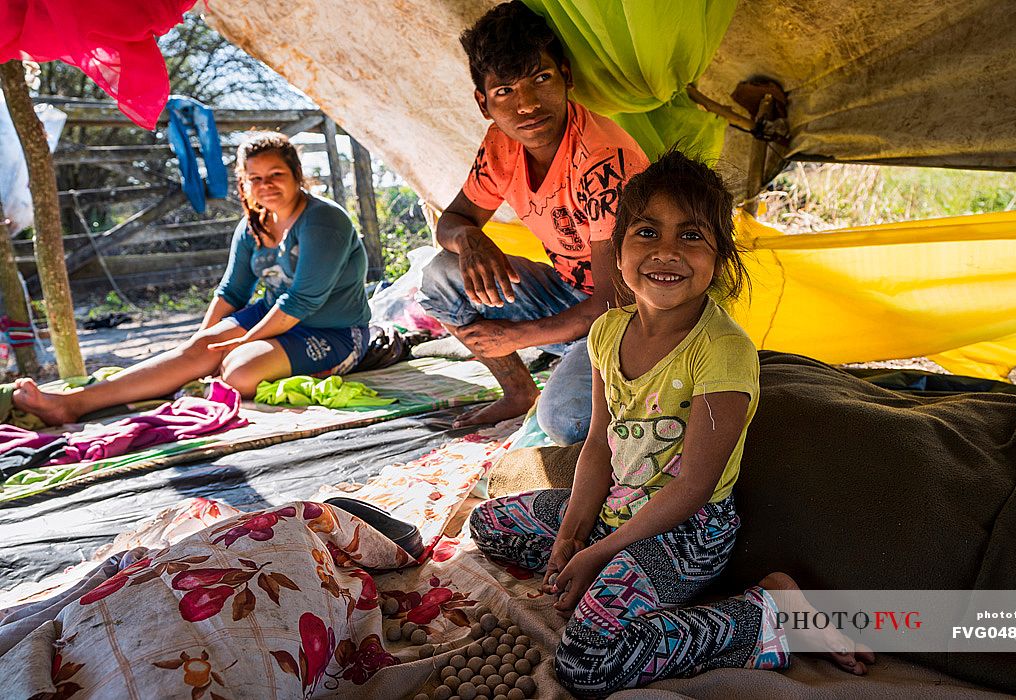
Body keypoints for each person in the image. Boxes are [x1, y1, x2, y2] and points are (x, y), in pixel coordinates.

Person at [469, 151, 874, 697]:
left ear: (721, 256)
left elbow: (694, 486)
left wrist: (600, 554)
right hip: (618, 511)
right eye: (646, 232)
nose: (666, 252)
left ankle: (766, 613)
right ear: (618, 248)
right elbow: (597, 446)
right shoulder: (607, 332)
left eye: (691, 236)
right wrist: (571, 538)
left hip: (689, 530)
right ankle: (616, 578)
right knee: (489, 524)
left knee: (588, 662)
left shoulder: (722, 349)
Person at [13, 131, 371, 426]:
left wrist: (238, 343)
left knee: (238, 373)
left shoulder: (324, 222)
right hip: (272, 316)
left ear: (296, 174)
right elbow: (233, 291)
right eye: (255, 178)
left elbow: (301, 302)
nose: (266, 185)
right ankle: (73, 403)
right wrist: (199, 345)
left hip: (332, 331)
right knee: (198, 351)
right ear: (243, 183)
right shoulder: (252, 226)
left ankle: (232, 359)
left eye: (276, 174)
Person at [417, 0, 649, 445]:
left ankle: (589, 379)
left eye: (540, 79)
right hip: (567, 300)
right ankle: (519, 390)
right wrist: (468, 238)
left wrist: (517, 335)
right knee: (440, 276)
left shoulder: (603, 159)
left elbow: (613, 302)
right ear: (483, 103)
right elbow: (453, 220)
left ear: (566, 76)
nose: (526, 106)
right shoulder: (502, 144)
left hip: (631, 321)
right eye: (505, 91)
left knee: (566, 422)